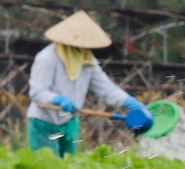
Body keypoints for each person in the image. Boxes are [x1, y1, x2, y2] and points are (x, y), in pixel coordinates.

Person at [26, 10, 154, 156]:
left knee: (68, 168)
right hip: (43, 122)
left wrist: (129, 102)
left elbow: (106, 89)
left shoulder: (87, 60)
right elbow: (37, 92)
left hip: (69, 121)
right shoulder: (47, 58)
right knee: (46, 167)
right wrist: (58, 99)